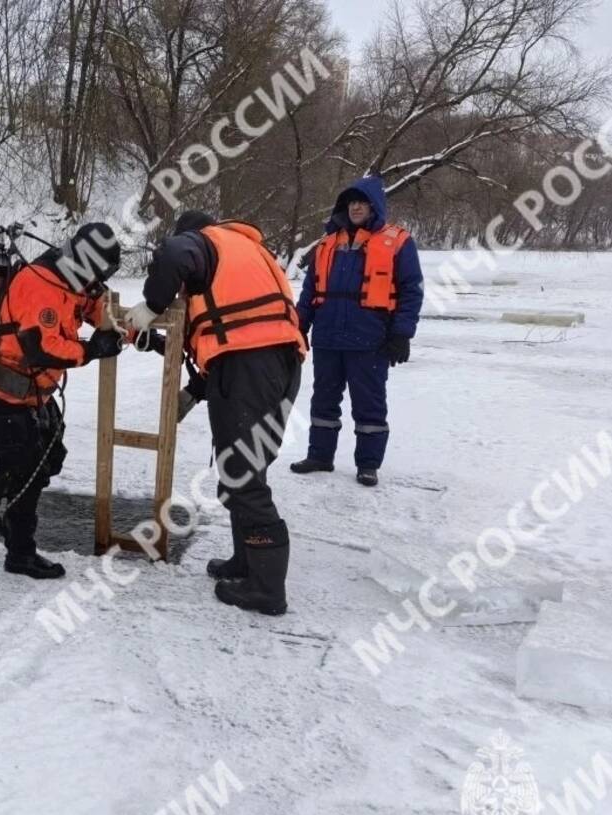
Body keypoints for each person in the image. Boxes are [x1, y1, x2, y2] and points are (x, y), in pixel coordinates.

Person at [125, 211, 306, 616]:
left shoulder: (205, 241)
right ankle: (246, 563)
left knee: (243, 476)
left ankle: (266, 590)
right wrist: (189, 385)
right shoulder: (244, 258)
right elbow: (223, 333)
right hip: (275, 365)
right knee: (243, 470)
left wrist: (151, 305)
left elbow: (174, 254)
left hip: (251, 366)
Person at [0, 223, 124, 579]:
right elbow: (41, 347)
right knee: (27, 473)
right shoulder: (41, 284)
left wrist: (131, 330)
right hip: (6, 390)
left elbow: (94, 308)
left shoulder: (70, 281)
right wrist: (91, 350)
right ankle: (20, 554)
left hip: (34, 392)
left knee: (49, 458)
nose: (98, 280)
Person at [291, 174, 424, 486]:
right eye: (351, 201)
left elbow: (411, 291)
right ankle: (320, 456)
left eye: (362, 202)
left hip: (370, 340)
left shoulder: (399, 242)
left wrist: (402, 333)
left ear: (375, 205)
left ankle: (368, 464)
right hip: (327, 338)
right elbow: (310, 291)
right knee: (323, 401)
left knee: (369, 405)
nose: (356, 207)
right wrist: (299, 327)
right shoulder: (327, 243)